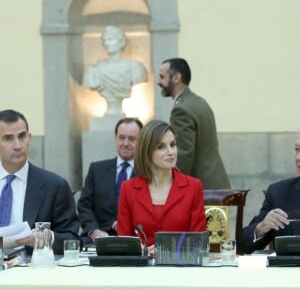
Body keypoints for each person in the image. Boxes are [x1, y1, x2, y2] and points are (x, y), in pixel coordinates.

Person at [117, 120, 207, 256]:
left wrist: (167, 250)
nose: (171, 152)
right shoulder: (128, 188)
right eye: (161, 147)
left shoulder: (193, 187)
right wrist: (136, 249)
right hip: (140, 271)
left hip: (181, 270)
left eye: (173, 145)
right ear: (147, 151)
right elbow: (123, 241)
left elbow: (199, 242)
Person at [0, 109, 80, 255]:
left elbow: (72, 239)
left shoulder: (54, 186)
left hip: (31, 270)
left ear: (29, 138)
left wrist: (47, 238)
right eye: (8, 138)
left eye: (22, 136)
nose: (18, 145)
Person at [157, 57, 231, 189]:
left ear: (176, 78)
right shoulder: (198, 102)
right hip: (215, 183)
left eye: (162, 77)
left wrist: (173, 187)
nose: (159, 82)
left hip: (201, 188)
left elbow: (183, 155)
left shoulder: (181, 109)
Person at [77, 117, 143, 247]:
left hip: (135, 239)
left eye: (132, 139)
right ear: (115, 139)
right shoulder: (97, 169)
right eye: (121, 137)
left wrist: (126, 223)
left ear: (141, 142)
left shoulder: (147, 173)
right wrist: (94, 231)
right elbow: (84, 206)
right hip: (98, 239)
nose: (125, 143)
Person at [237, 134, 300, 254]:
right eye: (297, 150)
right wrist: (262, 227)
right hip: (288, 270)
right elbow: (243, 243)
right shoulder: (279, 192)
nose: (298, 158)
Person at [83, 25, 147, 115]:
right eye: (104, 40)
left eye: (110, 39)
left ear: (121, 42)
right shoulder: (95, 70)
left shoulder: (135, 67)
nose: (106, 43)